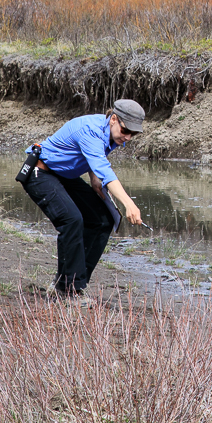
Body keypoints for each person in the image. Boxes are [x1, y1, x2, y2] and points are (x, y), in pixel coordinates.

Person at [22, 99, 146, 303]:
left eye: (134, 134)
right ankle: (67, 291)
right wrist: (129, 204)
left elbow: (92, 158)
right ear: (113, 119)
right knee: (72, 220)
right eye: (126, 130)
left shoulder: (112, 133)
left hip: (64, 176)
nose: (128, 137)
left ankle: (70, 284)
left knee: (103, 220)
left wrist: (93, 177)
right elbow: (105, 169)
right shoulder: (90, 129)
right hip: (40, 173)